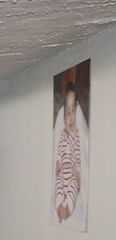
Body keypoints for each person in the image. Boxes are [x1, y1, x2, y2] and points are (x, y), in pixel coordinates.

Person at [54, 82, 84, 224]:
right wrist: (58, 162)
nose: (71, 117)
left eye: (73, 112)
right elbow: (59, 150)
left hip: (71, 172)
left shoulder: (76, 135)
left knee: (73, 188)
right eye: (68, 112)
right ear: (63, 117)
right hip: (62, 172)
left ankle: (68, 208)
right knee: (58, 185)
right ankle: (59, 205)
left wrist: (77, 170)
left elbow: (77, 154)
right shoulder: (61, 134)